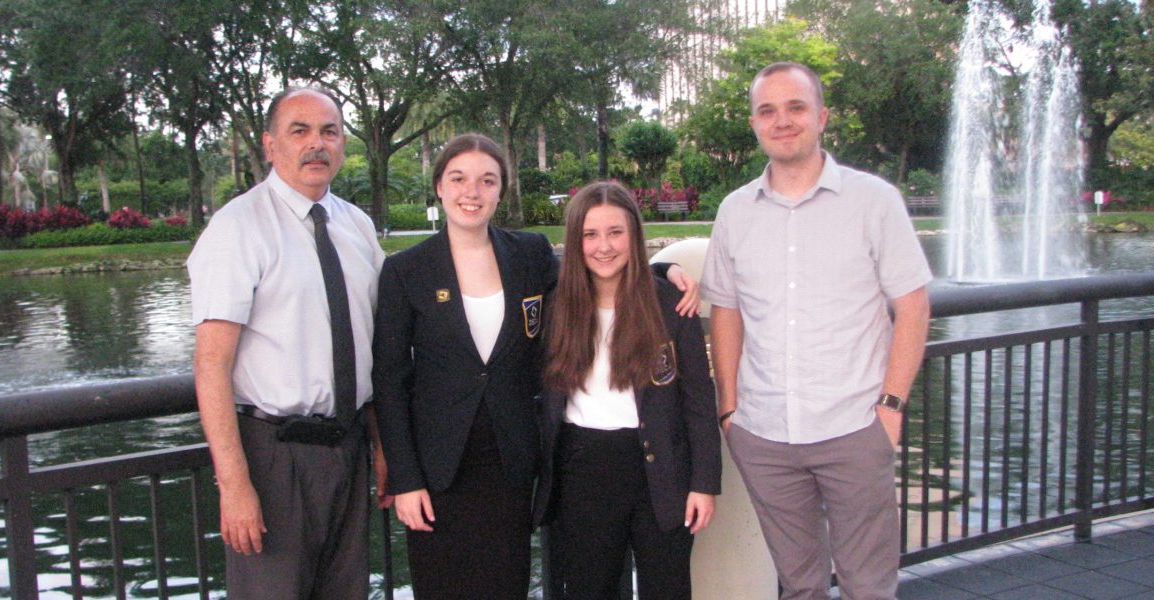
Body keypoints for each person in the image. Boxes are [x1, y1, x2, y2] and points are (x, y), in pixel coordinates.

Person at [373, 133, 698, 599]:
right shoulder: (406, 271)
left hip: (511, 463)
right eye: (459, 179)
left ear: (500, 190)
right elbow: (389, 381)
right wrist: (406, 480)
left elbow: (595, 267)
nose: (473, 192)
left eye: (487, 181)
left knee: (508, 584)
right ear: (439, 187)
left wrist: (661, 271)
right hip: (438, 468)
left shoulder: (526, 254)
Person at [700, 62, 932, 600]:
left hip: (854, 427)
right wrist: (730, 411)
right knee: (799, 587)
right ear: (755, 123)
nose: (782, 120)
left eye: (795, 107)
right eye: (767, 110)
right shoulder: (735, 212)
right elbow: (727, 312)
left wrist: (890, 409)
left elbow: (913, 306)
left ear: (822, 116)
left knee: (867, 587)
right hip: (763, 434)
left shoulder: (874, 201)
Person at [188, 87, 389, 599]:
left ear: (343, 144)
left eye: (329, 132)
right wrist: (235, 486)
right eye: (299, 131)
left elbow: (373, 347)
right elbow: (212, 365)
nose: (316, 144)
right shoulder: (237, 229)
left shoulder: (357, 226)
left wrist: (384, 447)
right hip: (273, 458)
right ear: (270, 145)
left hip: (349, 450)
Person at [533, 181, 721, 600]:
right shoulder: (555, 305)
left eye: (616, 232)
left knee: (667, 589)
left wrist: (704, 483)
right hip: (582, 469)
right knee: (589, 589)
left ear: (634, 236)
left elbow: (698, 400)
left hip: (662, 470)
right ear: (576, 239)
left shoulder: (670, 304)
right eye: (591, 234)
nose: (604, 246)